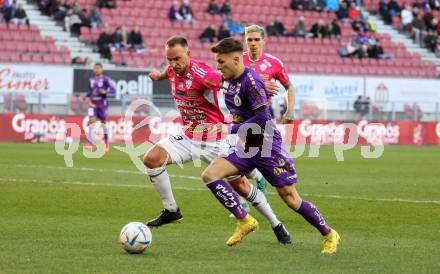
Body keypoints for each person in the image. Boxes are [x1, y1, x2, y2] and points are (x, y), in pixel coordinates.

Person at [144, 36, 292, 246]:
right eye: (169, 59)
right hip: (189, 136)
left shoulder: (203, 73)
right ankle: (171, 211)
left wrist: (259, 84)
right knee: (152, 159)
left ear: (189, 54)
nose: (174, 64)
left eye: (177, 58)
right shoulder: (171, 70)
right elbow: (165, 73)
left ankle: (276, 224)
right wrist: (156, 76)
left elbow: (227, 79)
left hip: (215, 139)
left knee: (241, 186)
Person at [204, 38, 341, 253]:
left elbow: (262, 120)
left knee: (290, 198)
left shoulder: (252, 82)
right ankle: (244, 220)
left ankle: (329, 233)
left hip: (267, 146)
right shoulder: (228, 79)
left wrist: (227, 129)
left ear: (236, 59)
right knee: (210, 175)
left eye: (221, 62)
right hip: (245, 146)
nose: (218, 66)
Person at [242, 25, 296, 195]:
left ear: (264, 41)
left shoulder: (274, 63)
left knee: (251, 157)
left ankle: (256, 189)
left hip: (261, 117)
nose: (253, 43)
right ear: (245, 40)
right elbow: (226, 84)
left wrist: (290, 110)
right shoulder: (236, 60)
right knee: (240, 159)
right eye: (249, 40)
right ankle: (258, 182)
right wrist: (259, 85)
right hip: (239, 116)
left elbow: (289, 87)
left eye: (256, 40)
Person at [84, 63, 116, 152]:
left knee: (104, 124)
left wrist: (105, 91)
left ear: (101, 69)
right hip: (92, 104)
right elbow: (91, 91)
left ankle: (106, 143)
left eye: (98, 68)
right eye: (95, 68)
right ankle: (90, 143)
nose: (96, 70)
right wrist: (85, 96)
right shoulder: (91, 80)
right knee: (91, 121)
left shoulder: (106, 79)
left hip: (102, 105)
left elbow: (114, 90)